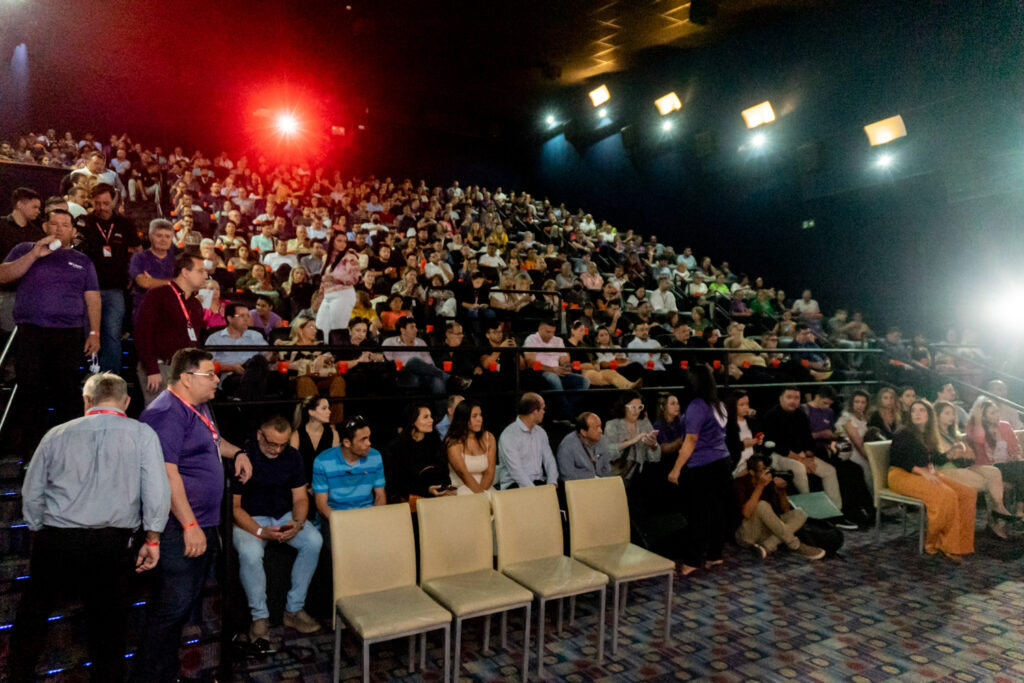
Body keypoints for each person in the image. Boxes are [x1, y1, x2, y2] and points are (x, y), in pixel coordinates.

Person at [10, 373, 170, 683]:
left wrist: (36, 527)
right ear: (126, 401)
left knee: (32, 618)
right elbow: (156, 491)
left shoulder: (56, 433)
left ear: (86, 400)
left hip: (57, 538)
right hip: (111, 544)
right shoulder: (142, 434)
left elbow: (31, 492)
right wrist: (153, 537)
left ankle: (18, 674)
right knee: (108, 630)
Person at [137, 348, 251, 683]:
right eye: (209, 374)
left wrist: (239, 451)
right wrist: (189, 525)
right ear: (186, 378)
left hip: (202, 521)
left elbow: (214, 442)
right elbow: (166, 474)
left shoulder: (197, 406)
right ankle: (147, 676)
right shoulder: (165, 413)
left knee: (179, 609)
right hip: (177, 528)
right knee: (169, 611)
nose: (217, 379)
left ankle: (166, 673)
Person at [4, 209, 100, 444]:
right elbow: (3, 275)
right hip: (32, 330)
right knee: (30, 390)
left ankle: (67, 447)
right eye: (54, 224)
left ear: (73, 231)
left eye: (65, 225)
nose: (58, 229)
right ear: (45, 227)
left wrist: (94, 332)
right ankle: (31, 451)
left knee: (66, 393)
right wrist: (35, 254)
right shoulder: (25, 249)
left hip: (69, 333)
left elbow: (93, 297)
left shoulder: (82, 260)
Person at [231, 415, 323, 643]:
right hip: (250, 517)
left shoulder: (292, 456)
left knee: (314, 541)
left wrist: (298, 523)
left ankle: (293, 609)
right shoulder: (245, 456)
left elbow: (301, 498)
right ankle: (259, 618)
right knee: (251, 553)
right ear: (260, 435)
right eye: (272, 444)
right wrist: (260, 532)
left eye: (282, 444)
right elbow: (234, 508)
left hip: (283, 514)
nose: (277, 450)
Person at [666, 365, 738, 575]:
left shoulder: (697, 405)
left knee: (699, 514)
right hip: (723, 461)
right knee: (717, 511)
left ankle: (692, 561)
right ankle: (715, 555)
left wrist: (676, 469)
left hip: (703, 465)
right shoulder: (719, 404)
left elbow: (691, 440)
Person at [888, 399, 976, 561]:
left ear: (929, 415)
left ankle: (960, 543)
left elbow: (937, 459)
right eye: (914, 410)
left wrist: (951, 453)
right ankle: (938, 544)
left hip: (922, 474)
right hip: (900, 474)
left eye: (922, 410)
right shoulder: (903, 432)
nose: (917, 414)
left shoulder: (928, 435)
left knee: (967, 493)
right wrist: (921, 470)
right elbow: (897, 459)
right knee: (946, 495)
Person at [761, 386, 856, 529]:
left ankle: (835, 513)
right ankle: (808, 515)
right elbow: (779, 446)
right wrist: (802, 460)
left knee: (829, 470)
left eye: (796, 398)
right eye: (789, 397)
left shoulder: (800, 415)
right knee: (799, 468)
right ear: (781, 398)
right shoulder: (772, 415)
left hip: (800, 454)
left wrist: (809, 457)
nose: (793, 401)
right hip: (777, 455)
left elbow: (807, 440)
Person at [78, 183, 141, 371]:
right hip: (88, 289)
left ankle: (110, 378)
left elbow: (138, 250)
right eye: (97, 203)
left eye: (106, 203)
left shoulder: (125, 223)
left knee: (112, 334)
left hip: (115, 288)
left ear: (114, 200)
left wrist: (134, 272)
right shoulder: (84, 221)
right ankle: (91, 373)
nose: (102, 208)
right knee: (89, 333)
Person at [135, 252, 208, 405]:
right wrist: (152, 368)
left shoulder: (195, 305)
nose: (206, 275)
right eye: (200, 271)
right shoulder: (157, 295)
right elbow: (143, 333)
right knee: (160, 419)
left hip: (187, 372)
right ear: (185, 272)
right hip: (161, 368)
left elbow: (196, 340)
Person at [934, 400, 1013, 539]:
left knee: (993, 472)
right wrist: (953, 454)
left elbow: (967, 458)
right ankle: (994, 520)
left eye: (953, 413)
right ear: (937, 415)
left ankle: (998, 507)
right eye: (947, 413)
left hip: (961, 467)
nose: (952, 416)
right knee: (986, 483)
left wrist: (966, 455)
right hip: (943, 471)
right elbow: (937, 459)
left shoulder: (955, 435)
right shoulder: (933, 435)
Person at [733, 454, 824, 561]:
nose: (766, 472)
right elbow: (746, 513)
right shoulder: (739, 483)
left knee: (799, 513)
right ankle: (795, 545)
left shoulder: (770, 482)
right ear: (752, 472)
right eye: (763, 470)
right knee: (762, 505)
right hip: (747, 533)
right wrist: (760, 486)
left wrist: (782, 491)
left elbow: (784, 511)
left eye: (767, 468)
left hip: (767, 532)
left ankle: (767, 546)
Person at [312, 415, 386, 516]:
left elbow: (380, 495)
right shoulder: (322, 461)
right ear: (347, 443)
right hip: (335, 516)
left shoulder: (375, 456)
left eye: (369, 437)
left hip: (367, 515)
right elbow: (321, 505)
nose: (369, 443)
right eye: (363, 439)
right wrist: (343, 524)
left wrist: (376, 518)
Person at [383, 403, 455, 503]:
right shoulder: (396, 447)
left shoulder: (435, 442)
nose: (432, 420)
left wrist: (443, 487)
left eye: (430, 416)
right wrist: (427, 489)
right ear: (413, 421)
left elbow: (443, 472)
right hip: (410, 499)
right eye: (426, 417)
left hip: (438, 495)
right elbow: (398, 481)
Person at [965, 397, 1024, 517]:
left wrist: (1016, 456)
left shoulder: (1005, 426)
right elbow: (979, 441)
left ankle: (1019, 511)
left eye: (997, 411)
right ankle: (1020, 511)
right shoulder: (975, 429)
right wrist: (977, 421)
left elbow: (1015, 447)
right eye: (992, 413)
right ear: (983, 416)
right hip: (989, 468)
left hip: (1008, 466)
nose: (997, 415)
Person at [523, 319, 591, 419]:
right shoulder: (531, 339)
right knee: (554, 378)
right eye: (548, 332)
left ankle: (566, 410)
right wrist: (552, 370)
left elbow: (564, 359)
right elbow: (530, 363)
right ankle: (568, 414)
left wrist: (566, 366)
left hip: (558, 370)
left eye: (553, 332)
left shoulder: (558, 340)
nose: (551, 335)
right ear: (540, 329)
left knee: (585, 381)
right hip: (542, 371)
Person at [0, 187, 44, 332]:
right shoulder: (1, 226)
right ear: (20, 204)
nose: (38, 211)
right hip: (4, 290)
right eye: (34, 207)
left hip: (27, 294)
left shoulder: (37, 234)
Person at [205, 303, 270, 396]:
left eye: (248, 315)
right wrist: (231, 368)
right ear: (230, 319)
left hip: (256, 374)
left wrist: (276, 352)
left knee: (258, 361)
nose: (246, 319)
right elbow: (207, 365)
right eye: (242, 316)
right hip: (230, 376)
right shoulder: (214, 339)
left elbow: (268, 357)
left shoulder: (255, 335)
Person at [497, 392, 558, 489]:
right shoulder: (509, 435)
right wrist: (535, 491)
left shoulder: (541, 432)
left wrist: (552, 482)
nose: (544, 412)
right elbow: (516, 471)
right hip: (515, 485)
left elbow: (549, 460)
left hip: (538, 482)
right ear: (534, 411)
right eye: (543, 408)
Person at [604, 391, 662, 479]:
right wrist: (631, 441)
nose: (636, 411)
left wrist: (654, 446)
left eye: (639, 407)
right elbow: (608, 453)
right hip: (617, 476)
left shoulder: (645, 423)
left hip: (638, 476)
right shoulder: (612, 425)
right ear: (623, 407)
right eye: (632, 407)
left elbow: (655, 458)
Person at [445, 399, 497, 495]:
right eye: (474, 416)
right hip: (461, 488)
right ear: (463, 419)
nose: (479, 419)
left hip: (485, 488)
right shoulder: (453, 442)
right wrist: (481, 497)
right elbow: (464, 475)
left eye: (480, 415)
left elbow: (490, 471)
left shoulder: (489, 437)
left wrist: (483, 493)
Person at [129, 219, 176, 322]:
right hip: (145, 312)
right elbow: (144, 282)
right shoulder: (139, 258)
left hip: (170, 312)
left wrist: (154, 282)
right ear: (150, 236)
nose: (163, 240)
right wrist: (174, 283)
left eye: (167, 236)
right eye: (159, 236)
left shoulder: (176, 260)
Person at [290, 395, 340, 485]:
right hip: (302, 485)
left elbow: (334, 465)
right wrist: (304, 486)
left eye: (328, 408)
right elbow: (293, 467)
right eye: (324, 408)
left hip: (326, 485)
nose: (329, 411)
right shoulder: (296, 435)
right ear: (311, 412)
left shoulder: (333, 434)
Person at [835, 390, 874, 492]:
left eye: (863, 402)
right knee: (868, 469)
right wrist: (871, 459)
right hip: (850, 451)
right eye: (857, 402)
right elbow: (857, 443)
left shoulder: (863, 418)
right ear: (852, 403)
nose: (859, 405)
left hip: (863, 449)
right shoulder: (847, 418)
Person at [556, 412, 612, 481]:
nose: (600, 431)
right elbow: (567, 476)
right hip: (580, 486)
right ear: (583, 432)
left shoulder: (602, 440)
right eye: (596, 428)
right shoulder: (567, 446)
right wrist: (592, 478)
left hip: (601, 484)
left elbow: (606, 470)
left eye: (600, 426)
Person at [725, 390, 763, 477]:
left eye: (747, 404)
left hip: (753, 461)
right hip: (738, 463)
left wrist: (758, 441)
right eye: (742, 405)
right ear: (733, 406)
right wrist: (743, 444)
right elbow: (729, 446)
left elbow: (756, 444)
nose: (746, 408)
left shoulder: (751, 422)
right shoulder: (728, 425)